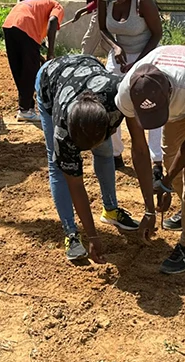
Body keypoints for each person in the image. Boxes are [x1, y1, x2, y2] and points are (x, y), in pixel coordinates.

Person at [116, 46, 185, 274]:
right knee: (169, 155)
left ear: (168, 94)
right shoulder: (127, 93)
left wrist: (166, 182)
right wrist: (149, 209)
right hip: (177, 96)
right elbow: (139, 149)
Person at [36, 55, 142, 262]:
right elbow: (75, 184)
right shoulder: (62, 131)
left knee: (104, 151)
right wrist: (92, 236)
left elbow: (140, 147)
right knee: (57, 167)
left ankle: (110, 210)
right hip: (52, 78)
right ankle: (71, 233)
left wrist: (150, 211)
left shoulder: (117, 100)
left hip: (88, 70)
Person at [96, 0, 164, 176]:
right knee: (110, 101)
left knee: (149, 104)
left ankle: (156, 160)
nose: (115, 0)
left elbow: (156, 34)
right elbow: (102, 28)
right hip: (120, 55)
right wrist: (115, 47)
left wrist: (138, 63)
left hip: (147, 53)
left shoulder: (142, 0)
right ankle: (115, 153)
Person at [2, 0, 64, 122]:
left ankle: (26, 107)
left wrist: (38, 57)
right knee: (30, 71)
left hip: (9, 24)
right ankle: (25, 110)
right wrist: (50, 53)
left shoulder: (36, 3)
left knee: (19, 67)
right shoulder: (57, 5)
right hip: (25, 25)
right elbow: (52, 21)